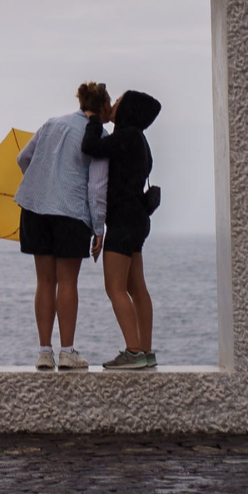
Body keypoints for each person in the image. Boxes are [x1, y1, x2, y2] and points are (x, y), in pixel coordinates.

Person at [13, 82, 112, 371]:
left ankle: (45, 352)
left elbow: (23, 159)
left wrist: (44, 181)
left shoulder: (51, 124)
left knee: (44, 281)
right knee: (67, 282)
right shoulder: (99, 135)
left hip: (35, 208)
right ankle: (67, 352)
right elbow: (96, 186)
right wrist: (99, 227)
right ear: (103, 106)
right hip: (70, 212)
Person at [82, 89, 162, 370]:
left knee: (114, 288)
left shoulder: (126, 137)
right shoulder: (140, 140)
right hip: (138, 220)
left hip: (123, 220)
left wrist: (93, 119)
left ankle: (133, 351)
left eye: (118, 101)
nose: (113, 103)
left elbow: (91, 147)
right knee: (137, 287)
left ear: (128, 109)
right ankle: (146, 351)